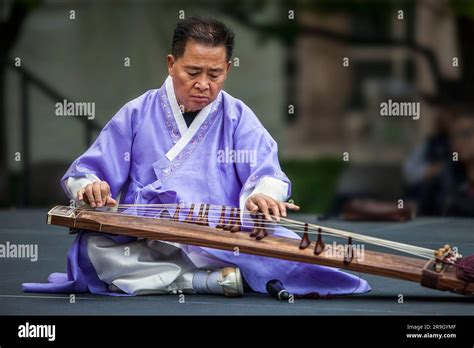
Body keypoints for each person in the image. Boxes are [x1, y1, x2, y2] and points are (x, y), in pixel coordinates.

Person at [23, 17, 370, 297]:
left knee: (289, 256)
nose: (204, 84)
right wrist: (91, 187)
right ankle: (200, 282)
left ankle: (206, 276)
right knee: (93, 250)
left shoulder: (237, 116)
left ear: (227, 69)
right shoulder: (137, 113)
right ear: (172, 64)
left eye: (214, 74)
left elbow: (268, 173)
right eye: (193, 72)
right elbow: (86, 171)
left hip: (219, 237)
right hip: (148, 235)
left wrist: (264, 195)